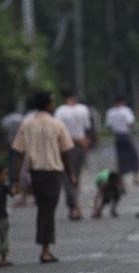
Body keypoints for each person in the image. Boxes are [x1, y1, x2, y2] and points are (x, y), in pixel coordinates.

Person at [12, 91, 76, 264]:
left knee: (44, 209)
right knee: (48, 210)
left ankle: (45, 246)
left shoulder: (26, 125)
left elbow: (18, 152)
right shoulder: (57, 124)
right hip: (53, 172)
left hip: (36, 172)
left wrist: (16, 177)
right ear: (47, 104)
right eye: (52, 102)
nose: (54, 105)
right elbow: (66, 152)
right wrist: (71, 174)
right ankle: (45, 249)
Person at [54, 90, 91, 220]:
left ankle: (74, 207)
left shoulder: (60, 111)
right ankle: (74, 207)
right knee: (76, 177)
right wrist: (85, 142)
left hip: (65, 146)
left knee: (68, 177)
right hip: (80, 146)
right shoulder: (83, 109)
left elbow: (57, 131)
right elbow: (87, 128)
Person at [105, 96, 139, 185]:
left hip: (117, 136)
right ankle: (135, 177)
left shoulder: (111, 112)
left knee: (120, 158)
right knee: (133, 156)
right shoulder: (126, 110)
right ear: (123, 102)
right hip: (126, 134)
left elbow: (109, 125)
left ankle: (121, 179)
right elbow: (130, 123)